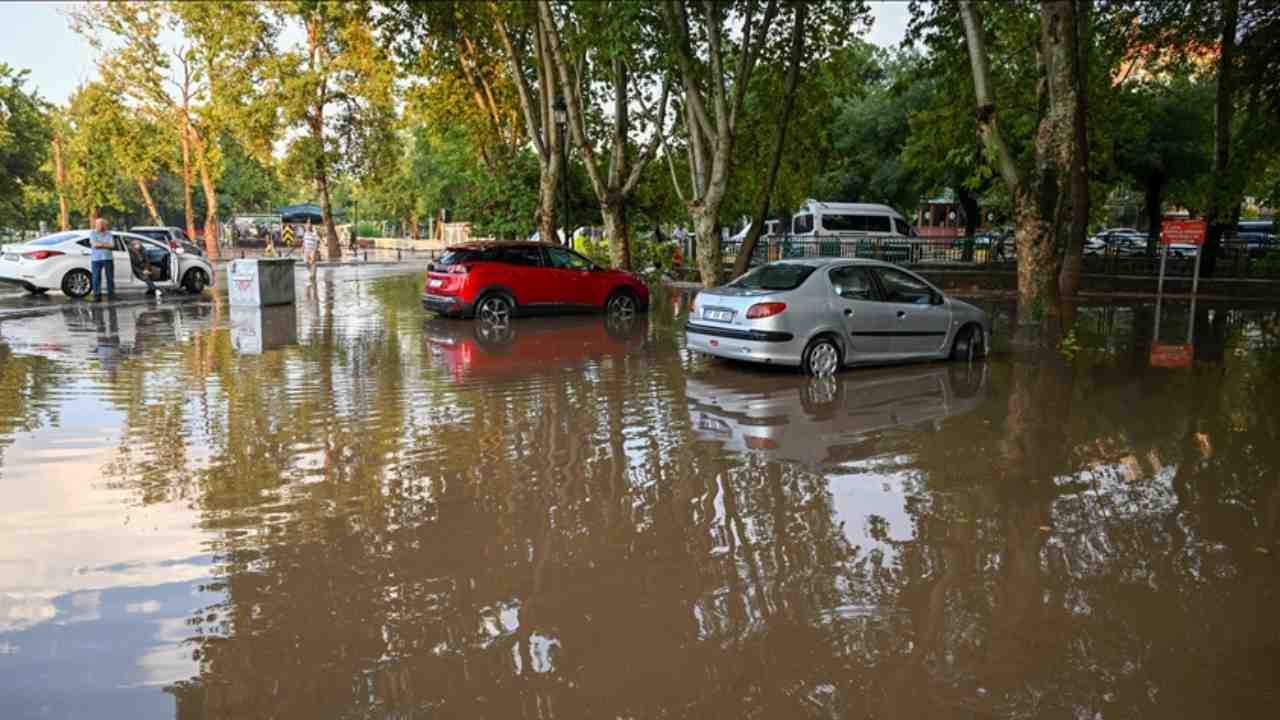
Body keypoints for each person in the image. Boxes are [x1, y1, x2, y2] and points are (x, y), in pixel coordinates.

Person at [89, 218, 115, 302]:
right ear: (96, 225)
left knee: (110, 278)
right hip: (96, 259)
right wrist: (105, 244)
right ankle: (97, 296)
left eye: (102, 224)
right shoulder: (92, 233)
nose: (100, 226)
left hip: (108, 258)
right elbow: (94, 245)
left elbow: (112, 245)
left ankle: (111, 295)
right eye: (98, 224)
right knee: (96, 278)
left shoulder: (109, 234)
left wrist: (100, 244)